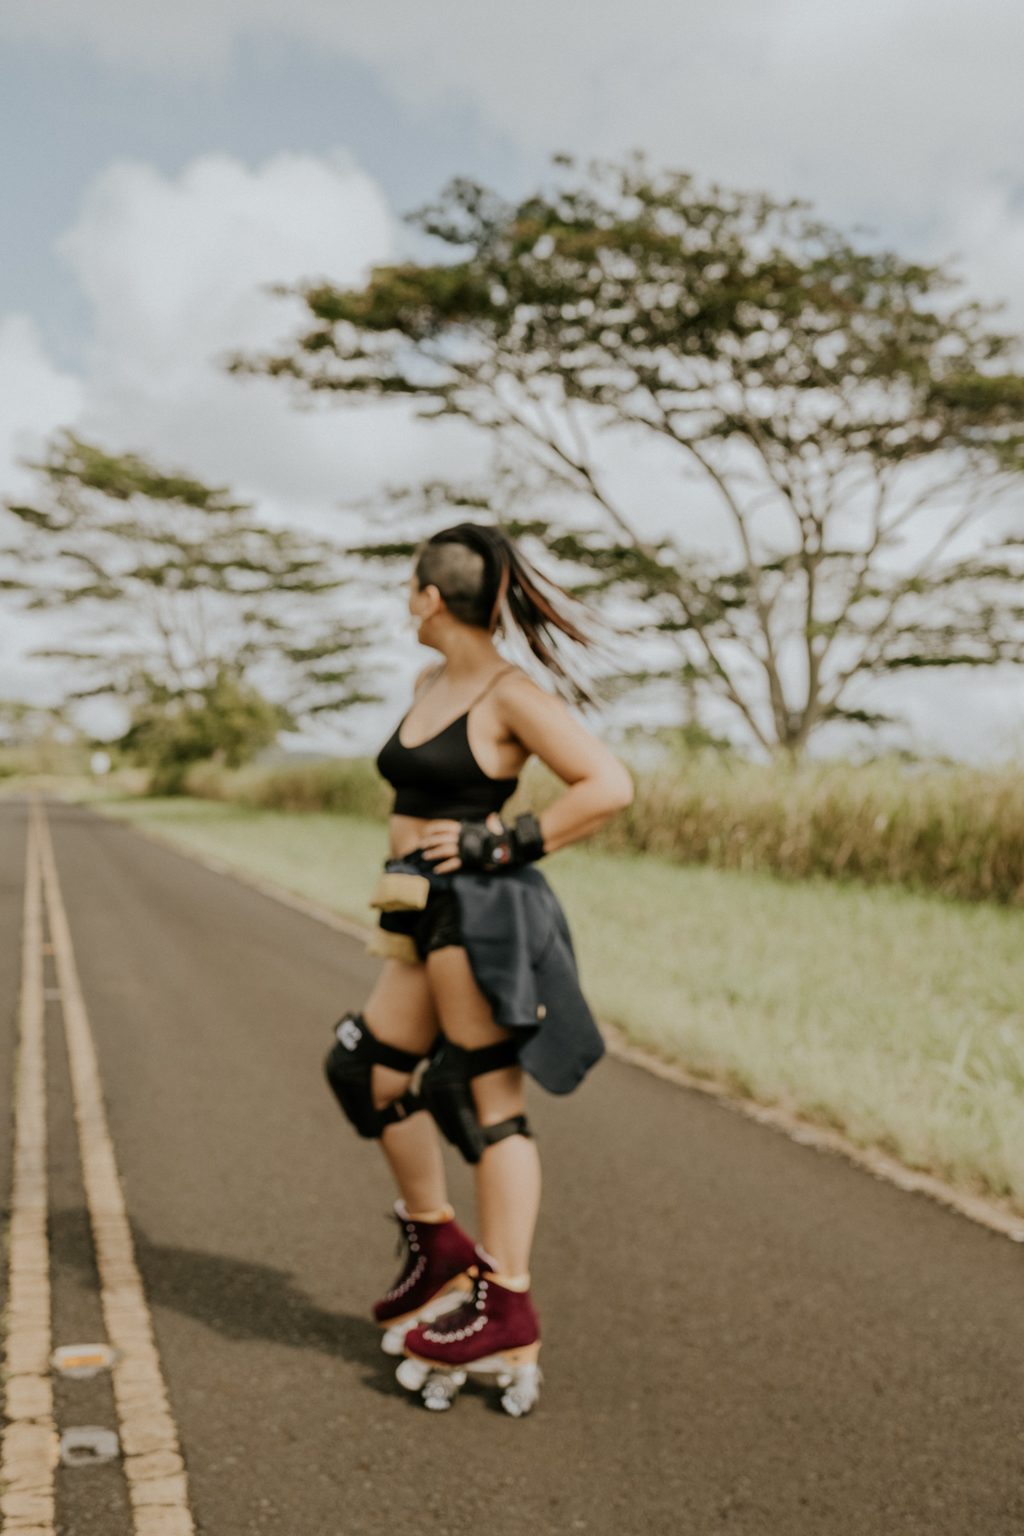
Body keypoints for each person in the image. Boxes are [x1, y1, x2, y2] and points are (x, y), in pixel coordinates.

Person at [324, 521, 633, 1414]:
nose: (403, 600)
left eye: (407, 587)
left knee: (483, 1103)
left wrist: (501, 838)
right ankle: (439, 1246)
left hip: (481, 916)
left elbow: (607, 786)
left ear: (431, 597)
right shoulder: (432, 681)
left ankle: (508, 1302)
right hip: (415, 913)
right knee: (368, 1073)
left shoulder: (508, 693)